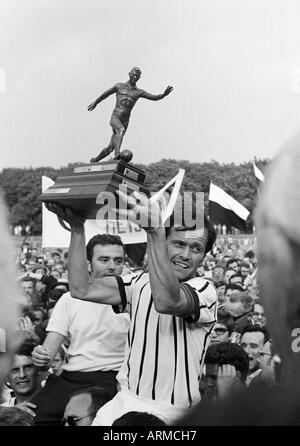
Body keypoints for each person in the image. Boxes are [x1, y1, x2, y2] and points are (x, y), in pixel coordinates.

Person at [46, 191, 218, 425]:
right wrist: (77, 228)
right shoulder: (138, 282)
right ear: (165, 243)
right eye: (178, 243)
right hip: (124, 402)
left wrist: (155, 232)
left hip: (173, 413)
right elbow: (80, 289)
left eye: (196, 248)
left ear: (204, 256)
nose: (185, 255)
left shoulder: (205, 289)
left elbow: (167, 301)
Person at [31, 234, 129, 425]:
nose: (112, 266)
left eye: (118, 260)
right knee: (27, 417)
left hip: (115, 380)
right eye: (104, 259)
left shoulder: (135, 299)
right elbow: (48, 352)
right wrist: (41, 357)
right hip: (71, 379)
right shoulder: (69, 299)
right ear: (88, 264)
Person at [88, 67, 173, 162]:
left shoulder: (139, 92)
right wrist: (95, 102)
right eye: (133, 74)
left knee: (110, 148)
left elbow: (153, 97)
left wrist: (163, 95)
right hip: (116, 116)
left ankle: (95, 160)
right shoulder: (119, 86)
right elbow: (105, 94)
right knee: (120, 130)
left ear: (139, 78)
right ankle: (117, 155)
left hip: (125, 120)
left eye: (137, 76)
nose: (135, 77)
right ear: (129, 74)